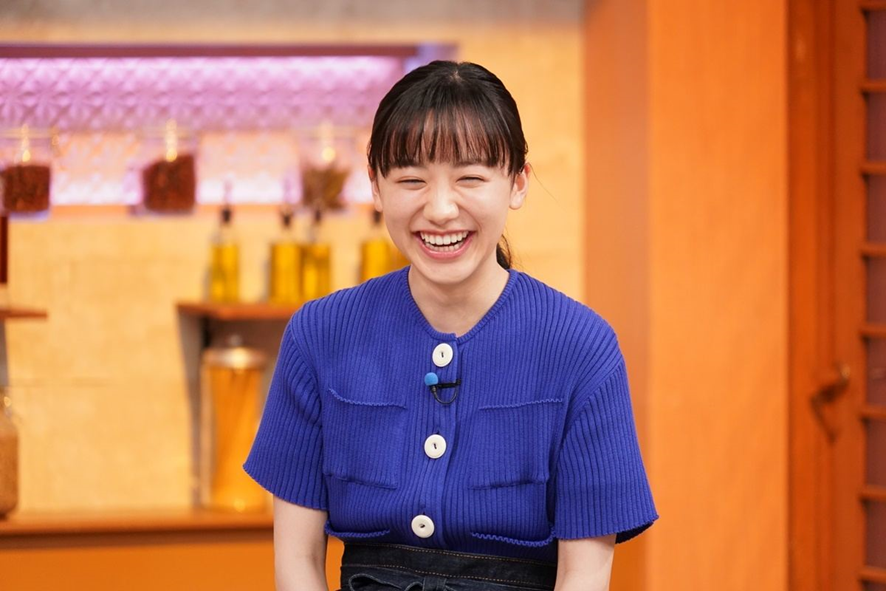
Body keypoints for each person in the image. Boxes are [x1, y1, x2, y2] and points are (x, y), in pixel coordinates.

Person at [243, 60, 658, 591]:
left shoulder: (582, 348)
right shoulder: (318, 336)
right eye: (411, 180)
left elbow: (584, 575)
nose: (440, 209)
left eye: (470, 178)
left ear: (517, 183)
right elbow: (297, 562)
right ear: (375, 186)